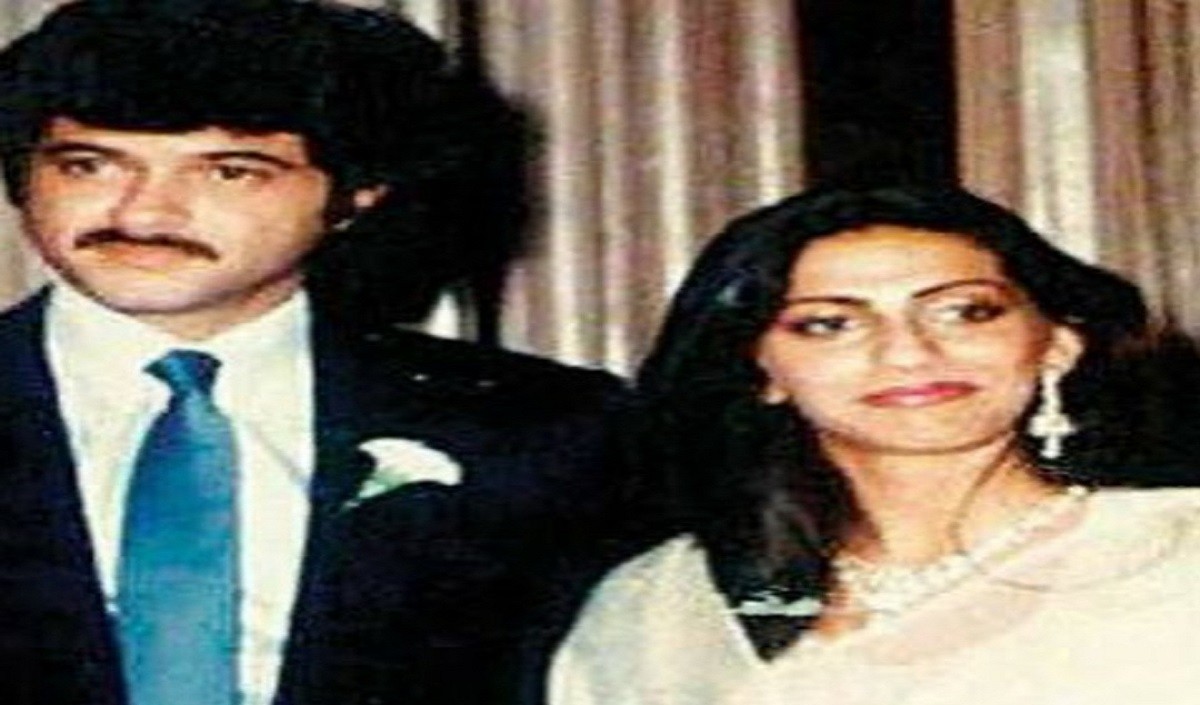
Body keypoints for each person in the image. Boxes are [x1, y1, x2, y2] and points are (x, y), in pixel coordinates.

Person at [0, 2, 655, 704]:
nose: (143, 213)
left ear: (357, 193)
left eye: (230, 172)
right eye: (90, 165)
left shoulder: (548, 431)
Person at [549, 184, 1200, 705]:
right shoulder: (664, 602)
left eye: (965, 311)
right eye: (829, 324)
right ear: (762, 370)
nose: (908, 352)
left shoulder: (1175, 554)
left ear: (1058, 344)